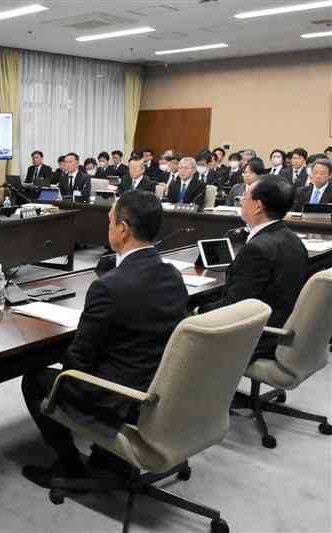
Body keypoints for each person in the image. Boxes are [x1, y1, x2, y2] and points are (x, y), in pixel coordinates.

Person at [21, 191, 188, 486]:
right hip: (163, 387)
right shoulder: (172, 274)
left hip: (119, 397)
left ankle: (69, 465)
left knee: (34, 378)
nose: (108, 227)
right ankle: (107, 455)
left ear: (122, 229)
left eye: (110, 220)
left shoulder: (108, 287)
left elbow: (78, 363)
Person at [200, 176, 307, 361]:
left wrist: (197, 311)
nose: (242, 201)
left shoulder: (257, 249)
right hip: (281, 329)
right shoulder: (293, 239)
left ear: (258, 206)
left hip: (257, 337)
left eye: (245, 197)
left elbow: (234, 308)